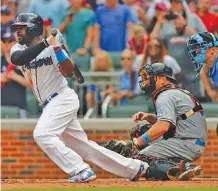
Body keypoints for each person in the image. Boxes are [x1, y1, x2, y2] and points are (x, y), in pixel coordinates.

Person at [10, 12, 149, 183]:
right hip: (49, 104)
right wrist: (48, 42)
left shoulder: (52, 49)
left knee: (42, 134)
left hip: (62, 99)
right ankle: (134, 168)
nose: (17, 32)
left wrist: (58, 50)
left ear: (32, 28)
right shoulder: (18, 49)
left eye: (20, 28)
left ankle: (80, 169)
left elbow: (69, 73)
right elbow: (17, 60)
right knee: (85, 147)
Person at [104, 63, 204, 181]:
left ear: (162, 79)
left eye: (149, 77)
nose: (145, 81)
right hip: (191, 140)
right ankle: (175, 164)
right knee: (141, 131)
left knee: (139, 161)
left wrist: (134, 143)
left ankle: (181, 168)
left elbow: (163, 127)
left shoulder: (165, 95)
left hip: (186, 142)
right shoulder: (174, 91)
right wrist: (148, 116)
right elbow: (172, 121)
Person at [151, 12, 202, 97]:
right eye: (175, 24)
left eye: (179, 24)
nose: (178, 26)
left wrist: (185, 24)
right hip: (174, 78)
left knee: (193, 104)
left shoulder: (190, 36)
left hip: (191, 77)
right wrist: (159, 22)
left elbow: (201, 41)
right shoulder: (169, 36)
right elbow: (153, 39)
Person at [1, 32, 29, 118]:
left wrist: (15, 77)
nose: (6, 44)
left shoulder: (23, 61)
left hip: (19, 108)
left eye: (9, 41)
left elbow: (31, 83)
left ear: (15, 43)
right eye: (4, 41)